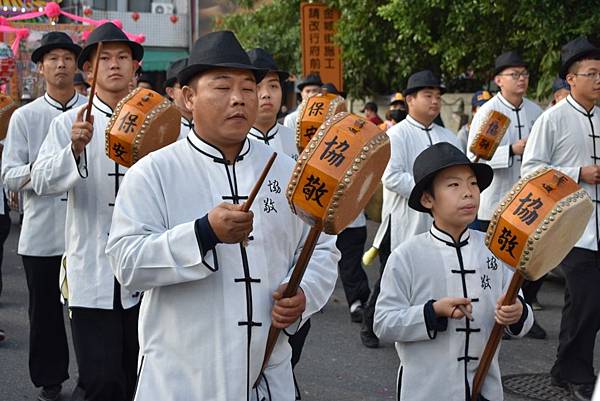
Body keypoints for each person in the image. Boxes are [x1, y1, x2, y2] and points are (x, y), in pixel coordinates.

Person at [105, 30, 339, 401]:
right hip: (183, 376)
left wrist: (305, 293)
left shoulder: (288, 172)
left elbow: (321, 249)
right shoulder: (154, 172)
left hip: (267, 371)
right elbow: (127, 263)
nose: (239, 99)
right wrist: (203, 233)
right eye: (222, 87)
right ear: (188, 97)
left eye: (248, 88)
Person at [31, 22, 144, 401]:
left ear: (135, 68)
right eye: (103, 59)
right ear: (90, 72)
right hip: (91, 267)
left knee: (139, 372)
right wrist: (73, 150)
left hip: (145, 268)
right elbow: (42, 180)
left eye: (123, 57)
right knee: (99, 378)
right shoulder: (68, 123)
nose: (114, 65)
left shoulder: (155, 123)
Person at [375, 142, 533, 401]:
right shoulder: (407, 256)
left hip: (484, 389)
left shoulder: (495, 249)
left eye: (472, 183)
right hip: (427, 390)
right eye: (454, 185)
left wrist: (517, 313)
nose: (468, 193)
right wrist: (432, 311)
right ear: (428, 199)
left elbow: (522, 316)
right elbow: (383, 324)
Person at [1, 31, 86, 401]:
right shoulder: (25, 117)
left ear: (78, 65)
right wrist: (49, 169)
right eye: (52, 58)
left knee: (90, 313)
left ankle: (94, 377)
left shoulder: (95, 112)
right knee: (46, 314)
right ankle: (49, 380)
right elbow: (9, 175)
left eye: (68, 57)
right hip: (41, 233)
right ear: (40, 67)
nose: (61, 64)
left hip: (88, 230)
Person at [522, 36, 600, 401]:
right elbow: (531, 171)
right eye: (592, 73)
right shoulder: (552, 119)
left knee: (590, 305)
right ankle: (577, 372)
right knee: (584, 301)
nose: (599, 80)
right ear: (571, 78)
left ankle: (562, 368)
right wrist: (577, 172)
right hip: (573, 230)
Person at [361, 70, 460, 348]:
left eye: (438, 96)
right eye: (428, 96)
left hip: (438, 220)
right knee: (393, 275)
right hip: (402, 220)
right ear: (410, 100)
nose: (434, 101)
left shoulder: (448, 136)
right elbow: (391, 177)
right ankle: (372, 323)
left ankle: (428, 322)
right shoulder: (397, 135)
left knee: (435, 271)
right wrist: (430, 193)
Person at [467, 51, 546, 339]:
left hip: (527, 204)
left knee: (521, 262)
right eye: (515, 74)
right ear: (499, 80)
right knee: (489, 263)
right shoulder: (490, 112)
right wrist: (511, 151)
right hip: (494, 202)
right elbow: (474, 157)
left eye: (524, 74)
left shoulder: (536, 112)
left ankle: (519, 315)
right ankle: (486, 315)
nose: (522, 79)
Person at [246, 48, 298, 160]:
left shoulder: (298, 141)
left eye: (273, 86)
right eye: (257, 87)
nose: (266, 94)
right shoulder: (233, 146)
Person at [164, 57, 193, 140]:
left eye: (195, 85)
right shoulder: (162, 125)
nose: (190, 91)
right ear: (171, 92)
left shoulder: (212, 123)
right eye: (183, 87)